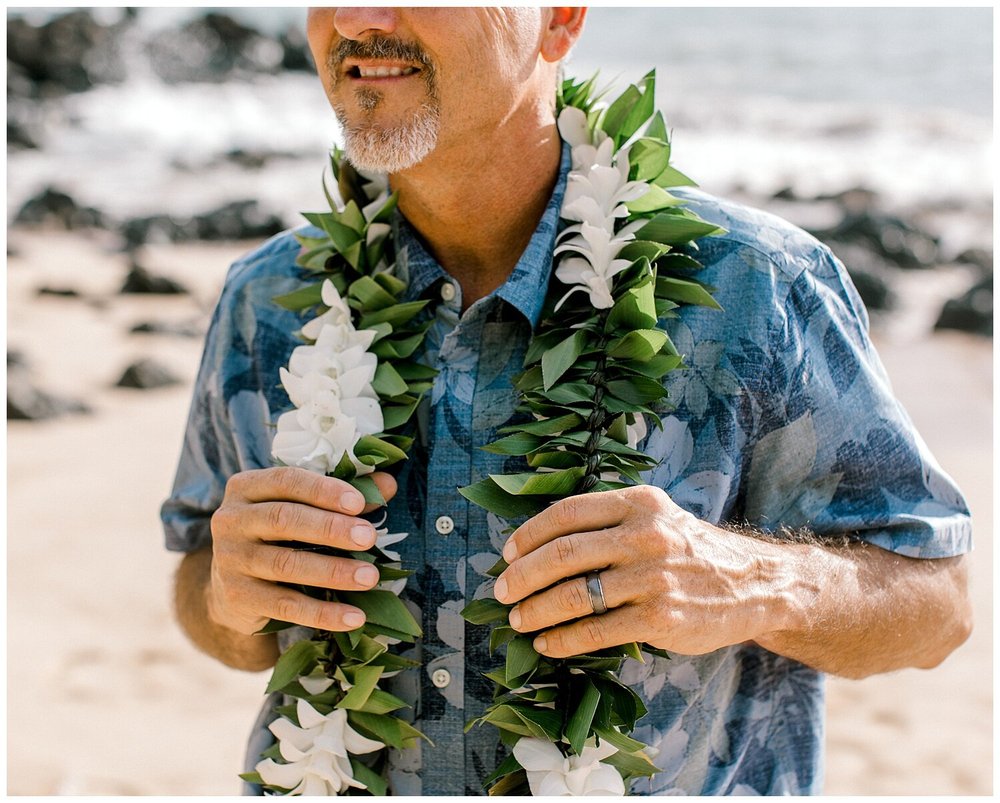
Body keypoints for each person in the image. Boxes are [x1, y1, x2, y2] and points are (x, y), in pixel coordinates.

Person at [162, 8, 973, 796]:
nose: (354, 18)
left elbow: (938, 604)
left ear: (561, 19)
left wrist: (755, 581)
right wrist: (227, 597)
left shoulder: (755, 287)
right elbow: (204, 593)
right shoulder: (269, 299)